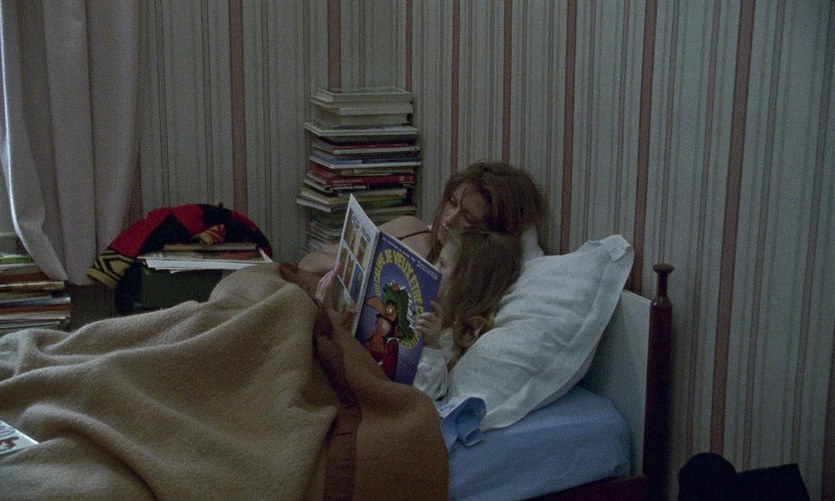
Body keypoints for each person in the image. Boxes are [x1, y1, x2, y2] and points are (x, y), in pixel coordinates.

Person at [411, 227, 523, 399]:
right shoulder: (426, 304)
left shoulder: (453, 337)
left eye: (442, 264)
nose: (432, 268)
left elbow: (426, 394)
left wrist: (431, 346)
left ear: (464, 285)